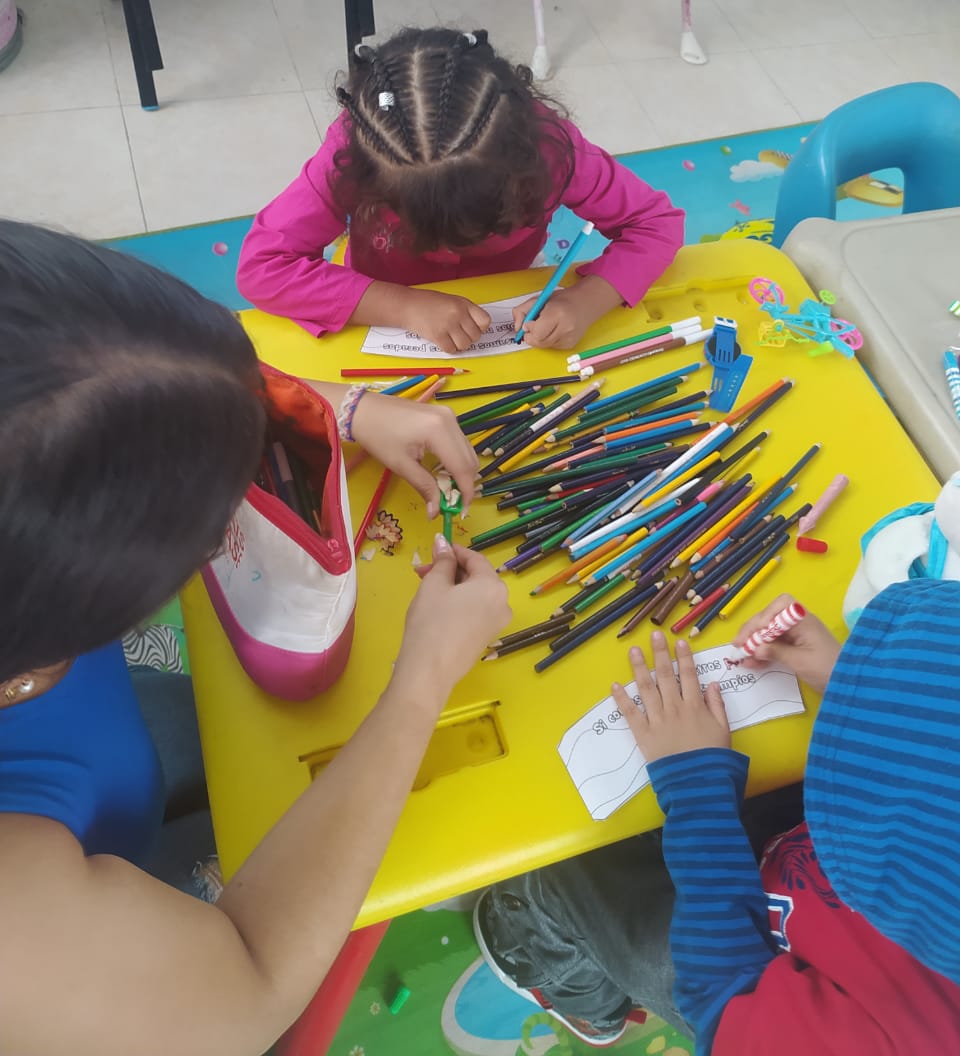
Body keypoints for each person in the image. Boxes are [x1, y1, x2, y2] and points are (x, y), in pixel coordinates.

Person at [0, 219, 512, 1056]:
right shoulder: (18, 931)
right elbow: (251, 979)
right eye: (209, 537)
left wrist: (338, 411)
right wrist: (421, 682)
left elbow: (103, 385)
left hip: (106, 757)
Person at [473, 585, 960, 1052]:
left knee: (572, 869)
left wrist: (694, 786)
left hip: (741, 979)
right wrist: (866, 694)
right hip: (815, 863)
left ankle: (577, 990)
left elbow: (722, 989)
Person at [236, 27, 684, 353]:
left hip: (514, 299)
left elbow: (656, 224)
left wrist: (586, 302)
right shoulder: (354, 151)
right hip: (380, 306)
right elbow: (261, 267)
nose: (448, 249)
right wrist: (402, 306)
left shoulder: (550, 149)